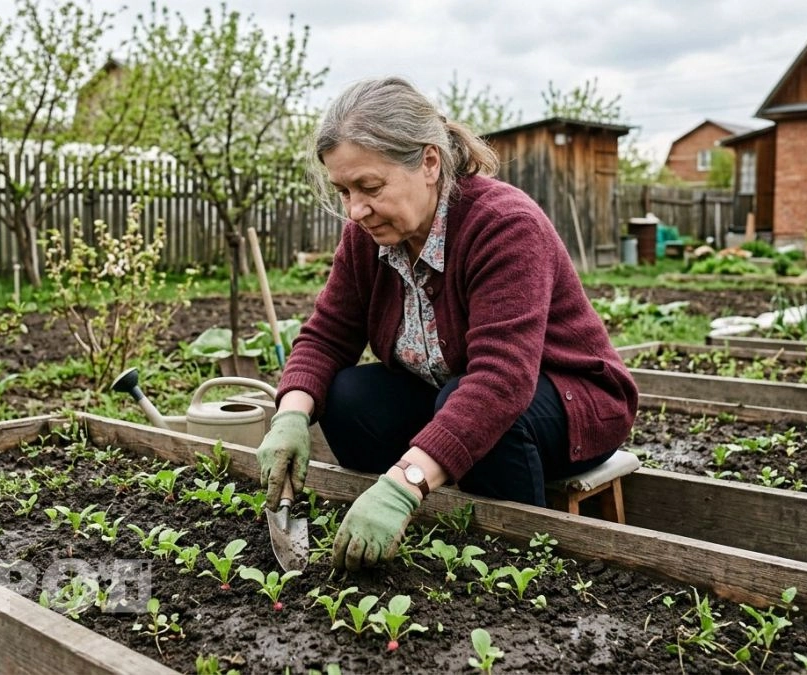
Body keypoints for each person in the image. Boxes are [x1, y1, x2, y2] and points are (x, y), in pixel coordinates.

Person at [256, 76, 638, 572]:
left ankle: (519, 558)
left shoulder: (503, 224)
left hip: (571, 405)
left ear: (430, 162)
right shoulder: (367, 237)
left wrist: (402, 485)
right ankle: (422, 497)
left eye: (370, 187)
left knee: (482, 411)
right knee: (348, 396)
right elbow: (328, 334)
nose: (355, 209)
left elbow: (500, 383)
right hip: (451, 391)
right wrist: (289, 412)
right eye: (344, 190)